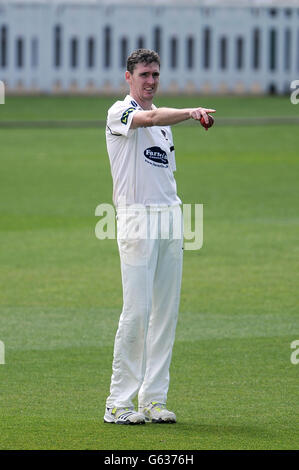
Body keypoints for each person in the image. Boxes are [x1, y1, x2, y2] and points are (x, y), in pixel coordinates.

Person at [104, 49, 215, 425]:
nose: (150, 81)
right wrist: (191, 112)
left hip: (169, 216)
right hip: (136, 217)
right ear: (128, 77)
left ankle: (153, 399)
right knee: (138, 311)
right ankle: (118, 403)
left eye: (155, 75)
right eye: (144, 75)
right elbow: (148, 117)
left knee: (165, 314)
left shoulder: (165, 124)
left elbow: (164, 171)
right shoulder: (120, 112)